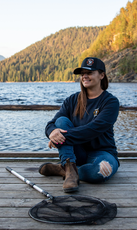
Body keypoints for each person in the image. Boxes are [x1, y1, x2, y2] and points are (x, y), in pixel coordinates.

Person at [39, 57, 120, 192]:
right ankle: (69, 166)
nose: (85, 76)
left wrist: (60, 138)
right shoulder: (72, 100)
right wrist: (52, 133)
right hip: (77, 152)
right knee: (61, 122)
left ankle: (65, 169)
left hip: (102, 152)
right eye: (82, 73)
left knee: (99, 172)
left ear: (101, 75)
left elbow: (94, 129)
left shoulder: (110, 102)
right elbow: (52, 123)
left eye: (89, 72)